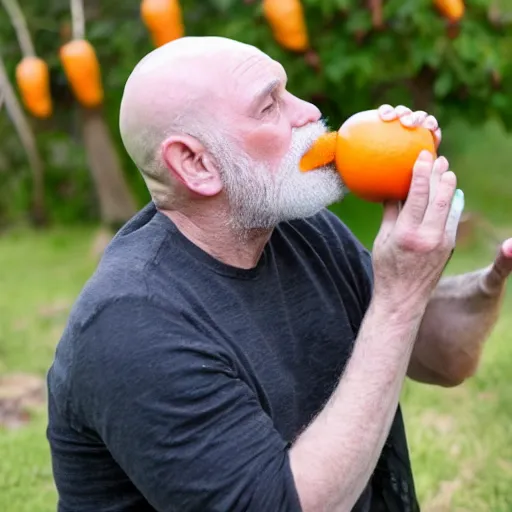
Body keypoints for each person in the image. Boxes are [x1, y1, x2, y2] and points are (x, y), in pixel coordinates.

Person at [46, 36, 512, 512]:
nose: (309, 111)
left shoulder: (303, 232)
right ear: (196, 164)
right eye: (269, 106)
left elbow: (442, 360)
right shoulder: (131, 325)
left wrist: (486, 281)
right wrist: (397, 299)